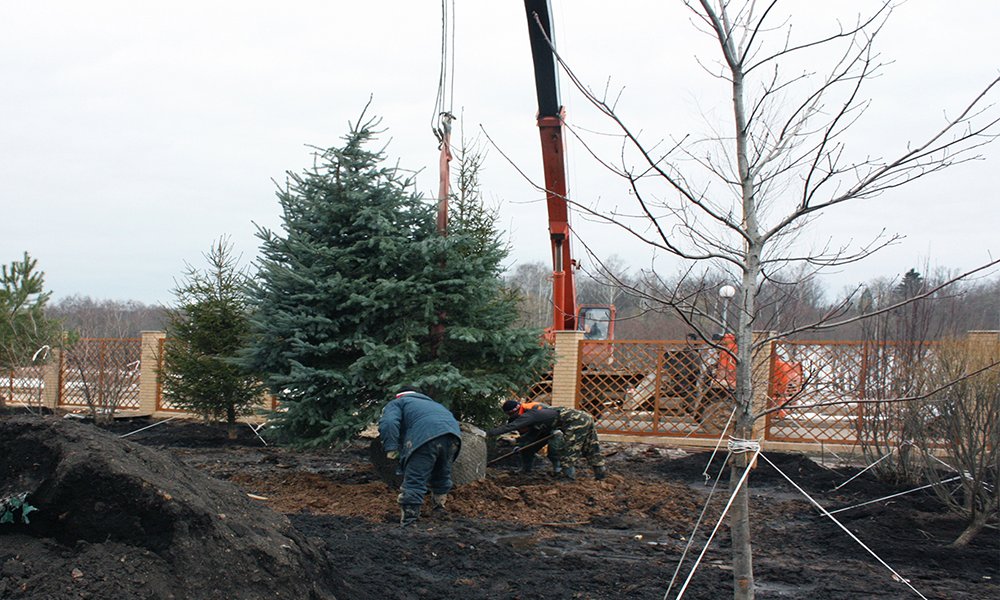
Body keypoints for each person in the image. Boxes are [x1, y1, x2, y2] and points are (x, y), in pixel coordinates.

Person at [378, 386, 461, 527]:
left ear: (399, 395)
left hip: (425, 438)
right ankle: (439, 508)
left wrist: (391, 448)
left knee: (415, 478)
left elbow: (389, 422)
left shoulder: (399, 403)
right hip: (453, 436)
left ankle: (410, 521)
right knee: (442, 473)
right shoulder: (434, 404)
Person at [487, 399, 607, 481]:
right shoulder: (535, 418)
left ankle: (568, 478)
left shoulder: (531, 414)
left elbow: (512, 426)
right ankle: (601, 475)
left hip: (574, 421)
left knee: (568, 450)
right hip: (582, 417)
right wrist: (517, 443)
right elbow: (532, 435)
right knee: (590, 447)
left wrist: (488, 433)